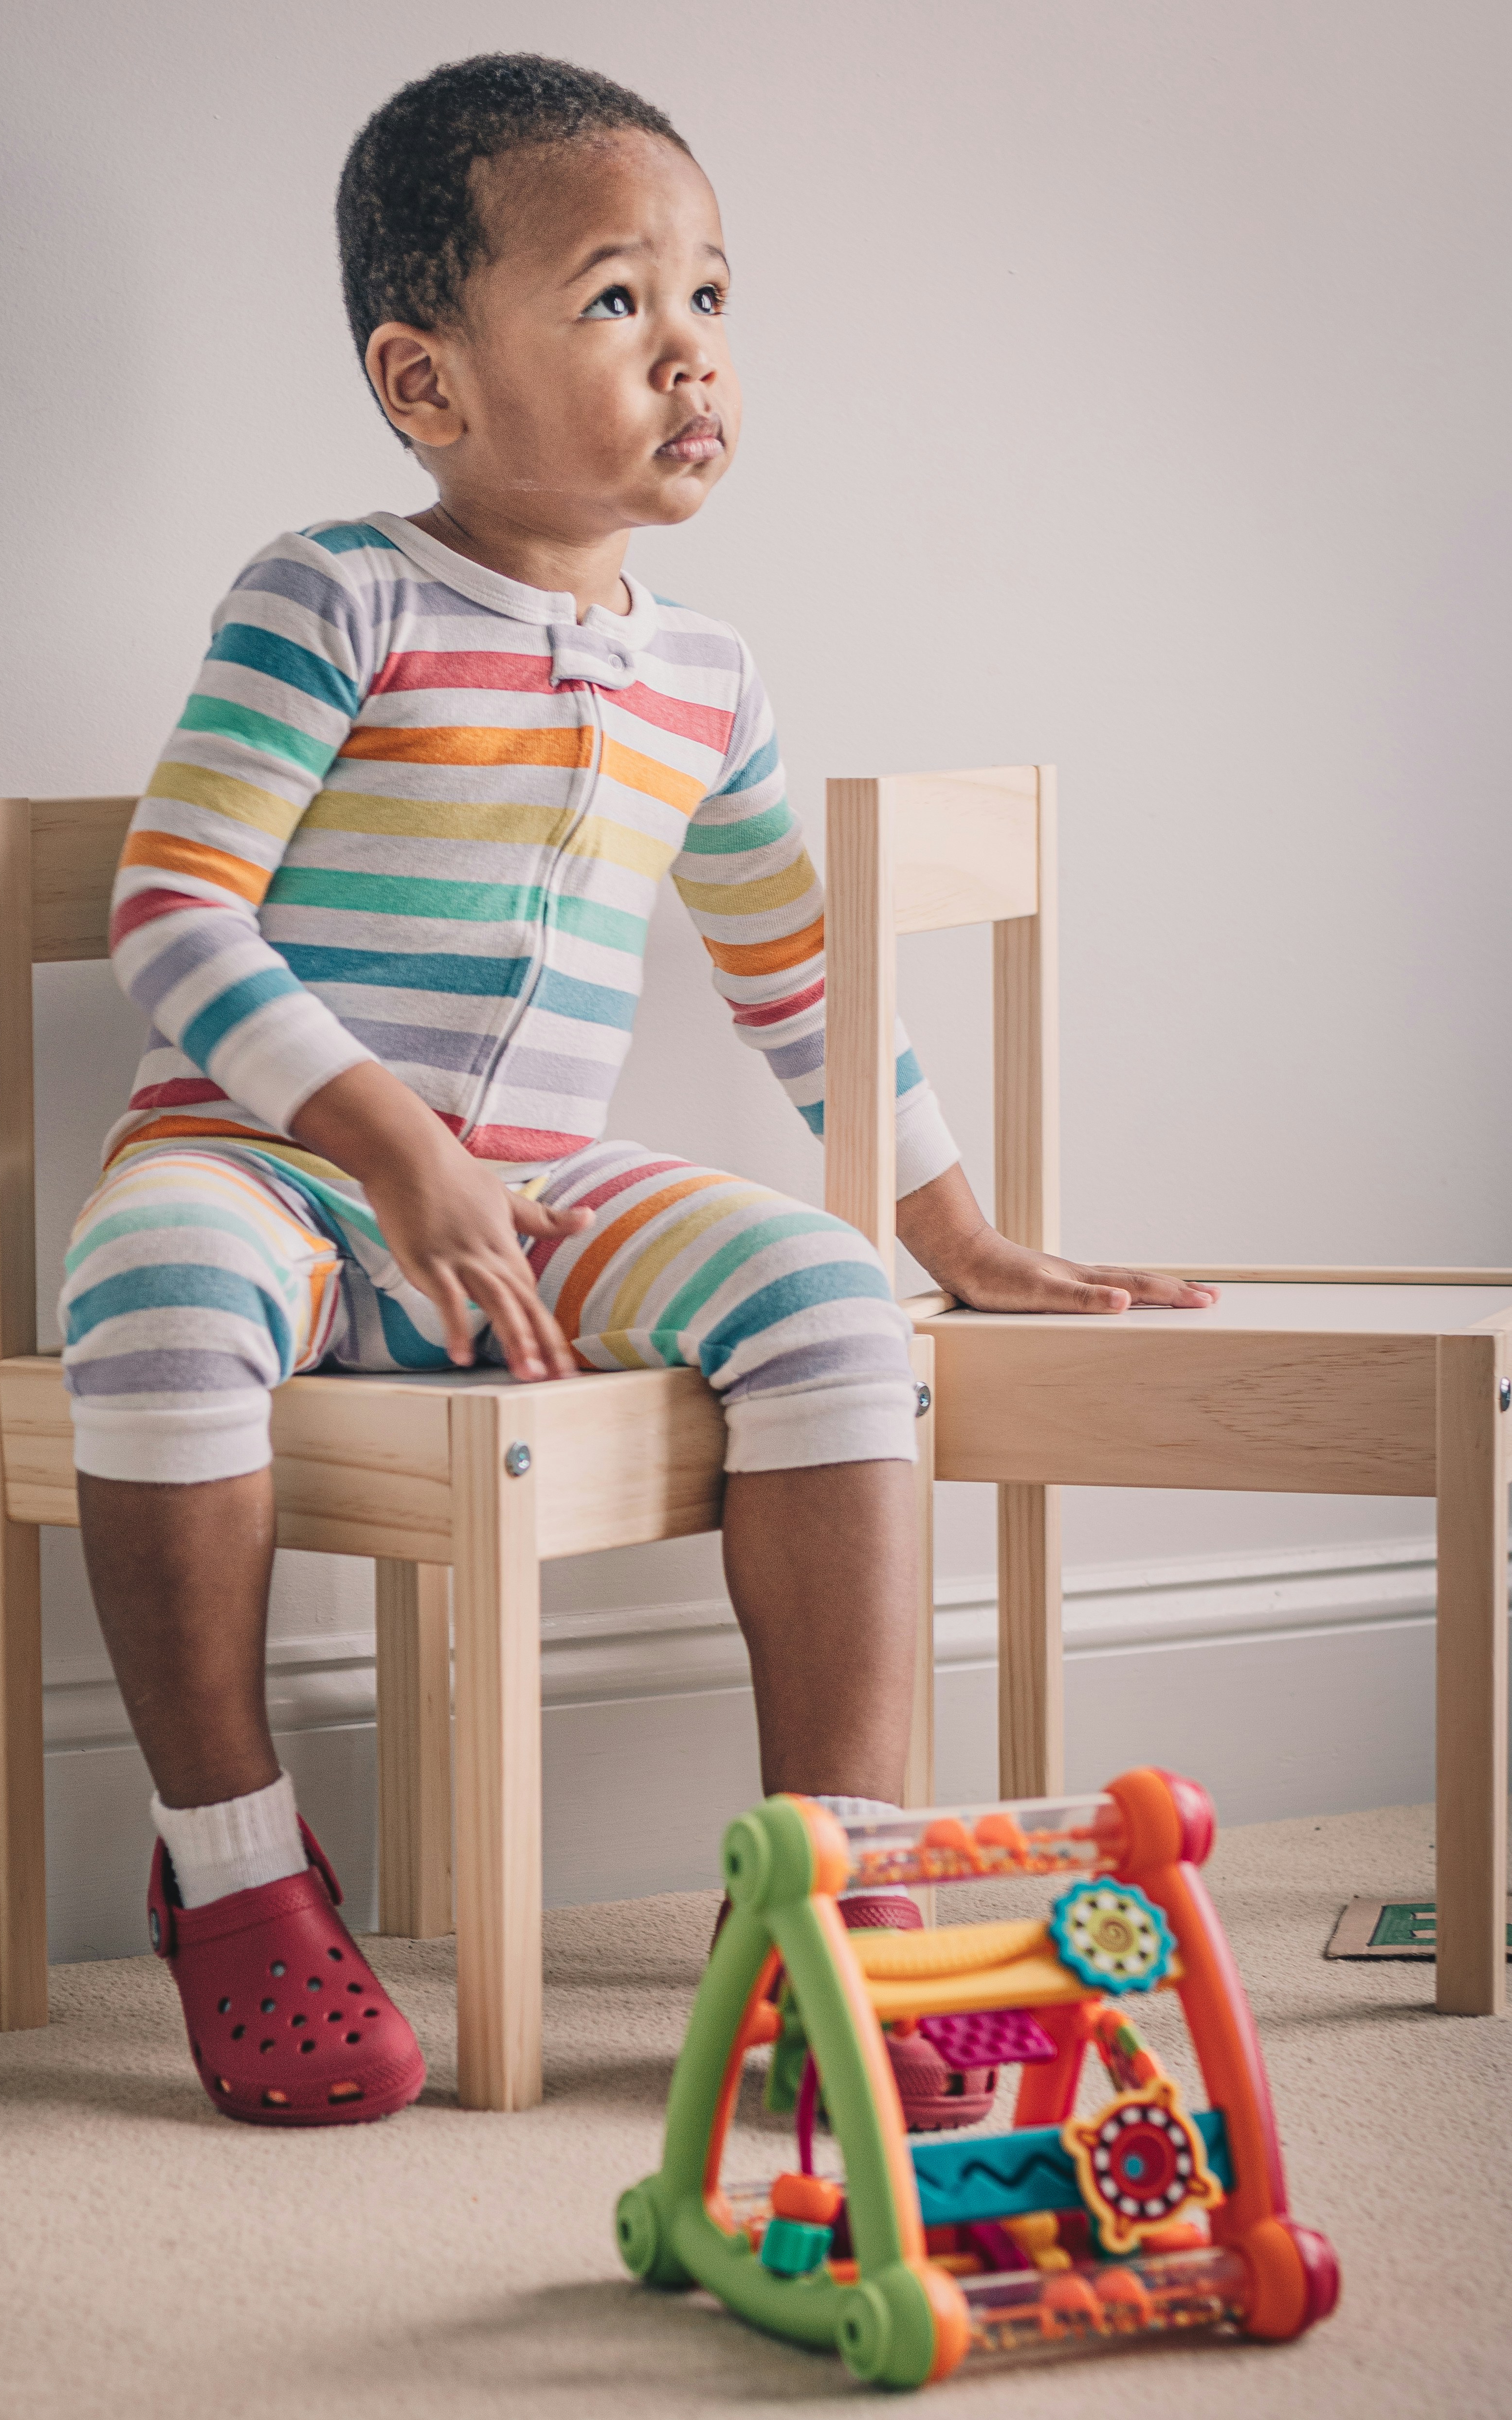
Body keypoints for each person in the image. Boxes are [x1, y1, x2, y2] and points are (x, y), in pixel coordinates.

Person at [64, 53, 1214, 2127]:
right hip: (271, 1163)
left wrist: (949, 1228)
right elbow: (171, 910)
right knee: (144, 1291)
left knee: (835, 1308)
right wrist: (382, 1143)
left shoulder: (708, 675)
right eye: (615, 299)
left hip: (537, 1190)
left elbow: (796, 972)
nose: (689, 349)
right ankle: (232, 1864)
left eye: (709, 295)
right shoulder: (333, 595)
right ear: (424, 380)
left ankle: (823, 1899)